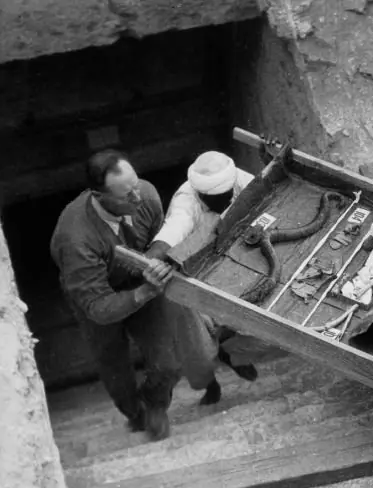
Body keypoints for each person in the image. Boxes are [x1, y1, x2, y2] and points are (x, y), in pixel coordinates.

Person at [49, 150, 208, 441]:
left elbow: (161, 237)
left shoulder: (145, 195)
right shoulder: (76, 240)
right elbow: (99, 307)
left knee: (168, 362)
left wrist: (154, 264)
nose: (138, 197)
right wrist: (147, 290)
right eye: (126, 195)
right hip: (96, 297)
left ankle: (155, 404)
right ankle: (134, 413)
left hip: (140, 280)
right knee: (114, 364)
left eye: (136, 184)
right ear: (98, 196)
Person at [145, 150, 260, 399]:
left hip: (237, 260)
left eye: (224, 197)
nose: (220, 203)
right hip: (194, 270)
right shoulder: (185, 200)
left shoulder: (243, 180)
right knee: (195, 345)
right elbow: (175, 228)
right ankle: (208, 383)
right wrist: (154, 259)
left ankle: (234, 355)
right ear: (199, 193)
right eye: (212, 199)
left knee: (258, 324)